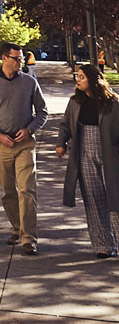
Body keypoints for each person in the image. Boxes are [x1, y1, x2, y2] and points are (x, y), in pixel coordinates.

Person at [0, 41, 49, 254]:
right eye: (16, 58)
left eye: (21, 59)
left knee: (27, 189)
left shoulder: (29, 82)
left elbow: (43, 112)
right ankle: (17, 228)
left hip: (25, 143)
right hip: (1, 144)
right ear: (4, 59)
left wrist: (29, 130)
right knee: (8, 191)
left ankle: (29, 238)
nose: (21, 62)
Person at [55, 64, 119, 258]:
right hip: (84, 153)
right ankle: (103, 245)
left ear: (93, 79)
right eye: (78, 76)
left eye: (82, 77)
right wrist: (61, 143)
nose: (78, 80)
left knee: (116, 201)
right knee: (93, 200)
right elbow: (65, 124)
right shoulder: (75, 102)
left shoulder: (113, 102)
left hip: (111, 155)